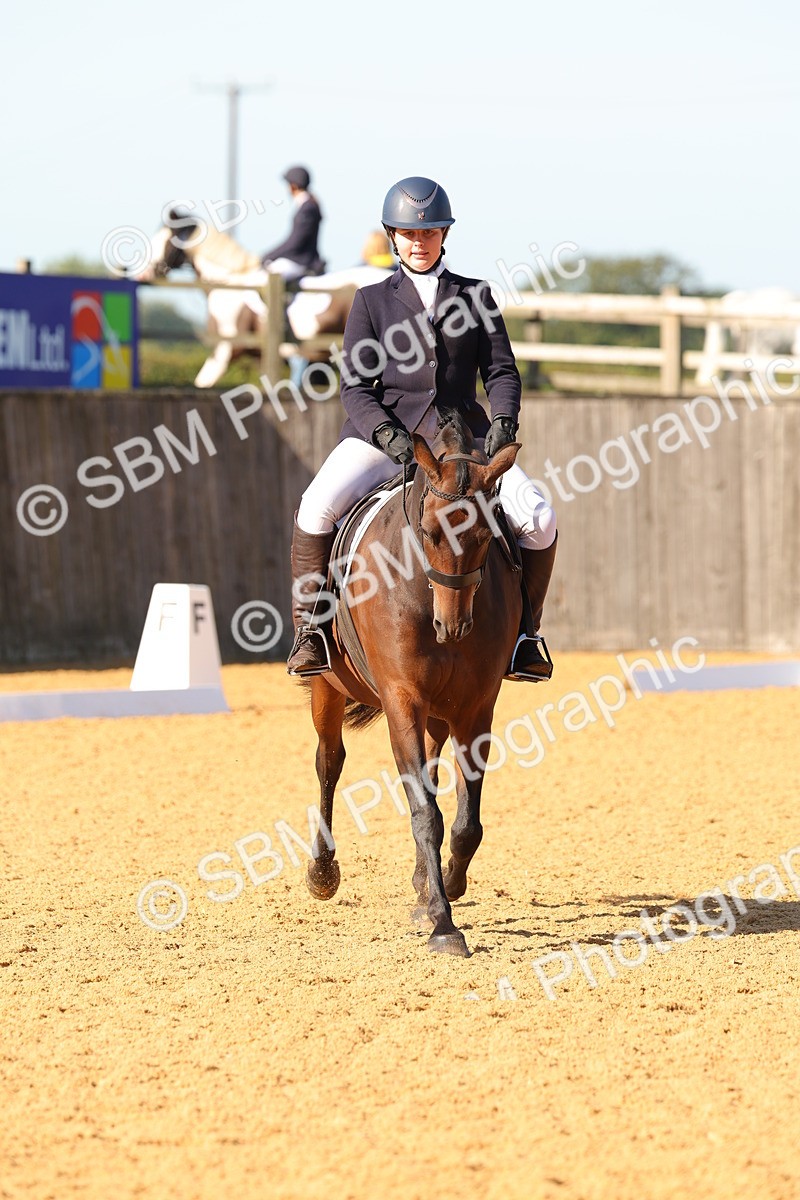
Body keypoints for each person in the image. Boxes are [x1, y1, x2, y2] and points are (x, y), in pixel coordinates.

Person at [286, 175, 558, 683]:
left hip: (463, 441)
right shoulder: (369, 300)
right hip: (387, 438)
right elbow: (355, 387)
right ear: (393, 236)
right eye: (410, 234)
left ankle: (527, 638)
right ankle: (311, 631)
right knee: (316, 505)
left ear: (444, 235)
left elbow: (500, 372)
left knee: (539, 519)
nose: (420, 241)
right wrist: (385, 434)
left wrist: (502, 421)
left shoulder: (476, 295)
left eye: (430, 232)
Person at [261, 165, 325, 279]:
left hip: (301, 261)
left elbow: (295, 242)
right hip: (298, 259)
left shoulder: (307, 208)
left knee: (269, 278)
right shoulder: (307, 205)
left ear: (293, 186)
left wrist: (269, 256)